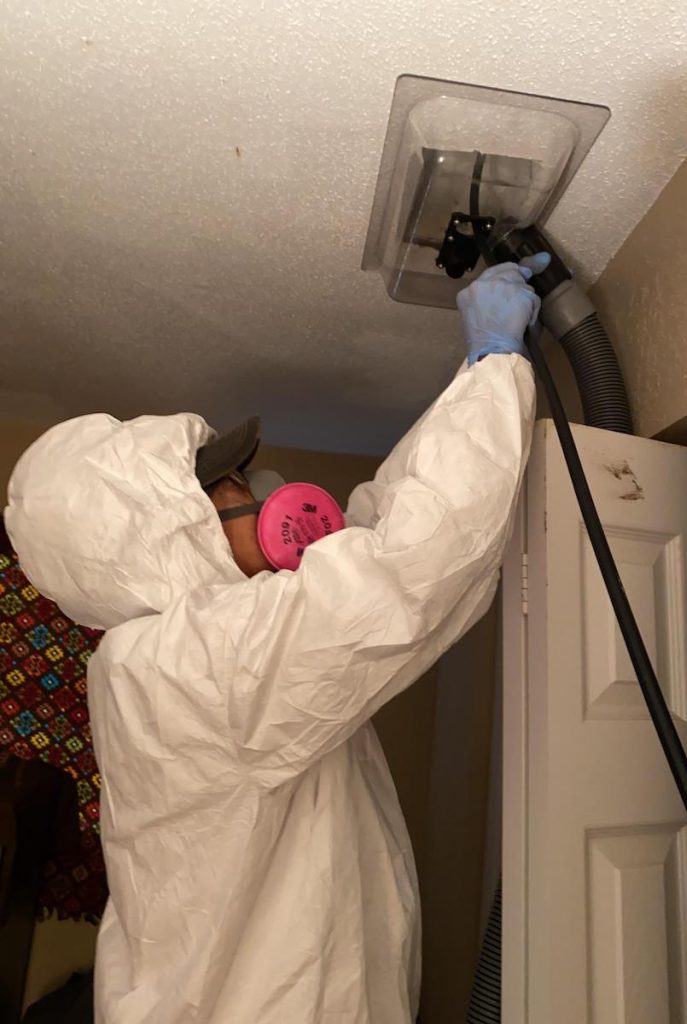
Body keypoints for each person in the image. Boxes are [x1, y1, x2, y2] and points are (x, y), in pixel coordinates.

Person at [5, 256, 548, 1024]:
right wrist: (494, 368)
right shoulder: (187, 665)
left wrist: (479, 371)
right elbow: (407, 572)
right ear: (162, 533)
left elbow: (370, 544)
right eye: (230, 487)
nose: (259, 491)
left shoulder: (167, 656)